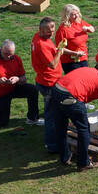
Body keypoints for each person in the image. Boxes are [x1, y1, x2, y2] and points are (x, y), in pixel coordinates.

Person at [45, 65, 98, 170]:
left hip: (56, 91)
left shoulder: (90, 70)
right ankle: (83, 163)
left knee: (61, 128)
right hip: (71, 97)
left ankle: (65, 157)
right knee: (83, 129)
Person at [0, 40, 43, 126]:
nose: (8, 57)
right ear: (0, 49)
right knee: (2, 123)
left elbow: (24, 78)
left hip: (13, 88)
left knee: (33, 89)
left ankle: (33, 118)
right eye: (6, 54)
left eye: (11, 54)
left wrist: (17, 79)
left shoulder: (16, 59)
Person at [31, 17, 65, 148]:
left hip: (44, 80)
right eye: (47, 31)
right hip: (49, 83)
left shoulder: (38, 36)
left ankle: (54, 137)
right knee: (51, 115)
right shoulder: (42, 44)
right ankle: (51, 144)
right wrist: (60, 52)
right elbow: (52, 64)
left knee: (52, 111)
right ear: (40, 29)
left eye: (52, 31)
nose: (50, 34)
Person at [56, 4, 94, 74]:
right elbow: (60, 49)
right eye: (73, 15)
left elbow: (92, 29)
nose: (76, 16)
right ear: (67, 16)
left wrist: (88, 28)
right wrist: (75, 53)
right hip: (70, 63)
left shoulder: (79, 22)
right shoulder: (63, 30)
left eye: (77, 13)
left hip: (83, 58)